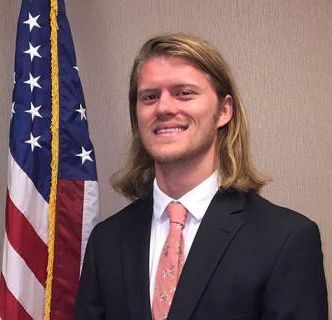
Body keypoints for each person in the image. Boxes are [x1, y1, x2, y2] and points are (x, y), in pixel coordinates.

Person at [74, 34, 328, 320]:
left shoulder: (286, 240)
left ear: (223, 110)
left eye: (184, 93)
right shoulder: (106, 241)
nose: (164, 108)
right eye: (150, 96)